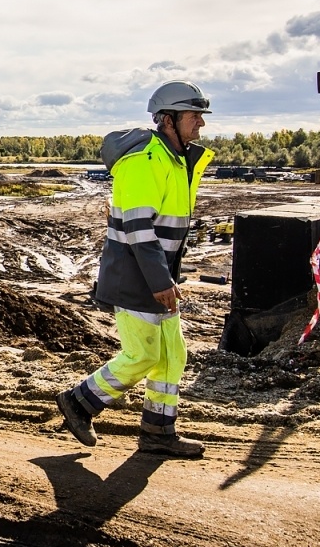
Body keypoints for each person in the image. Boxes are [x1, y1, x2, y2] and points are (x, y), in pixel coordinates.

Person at [57, 80, 215, 459]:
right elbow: (139, 229)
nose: (201, 123)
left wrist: (166, 277)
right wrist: (160, 281)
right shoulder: (146, 161)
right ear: (168, 119)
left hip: (158, 276)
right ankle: (79, 402)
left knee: (172, 355)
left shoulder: (175, 159)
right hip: (135, 276)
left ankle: (158, 432)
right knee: (142, 355)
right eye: (194, 116)